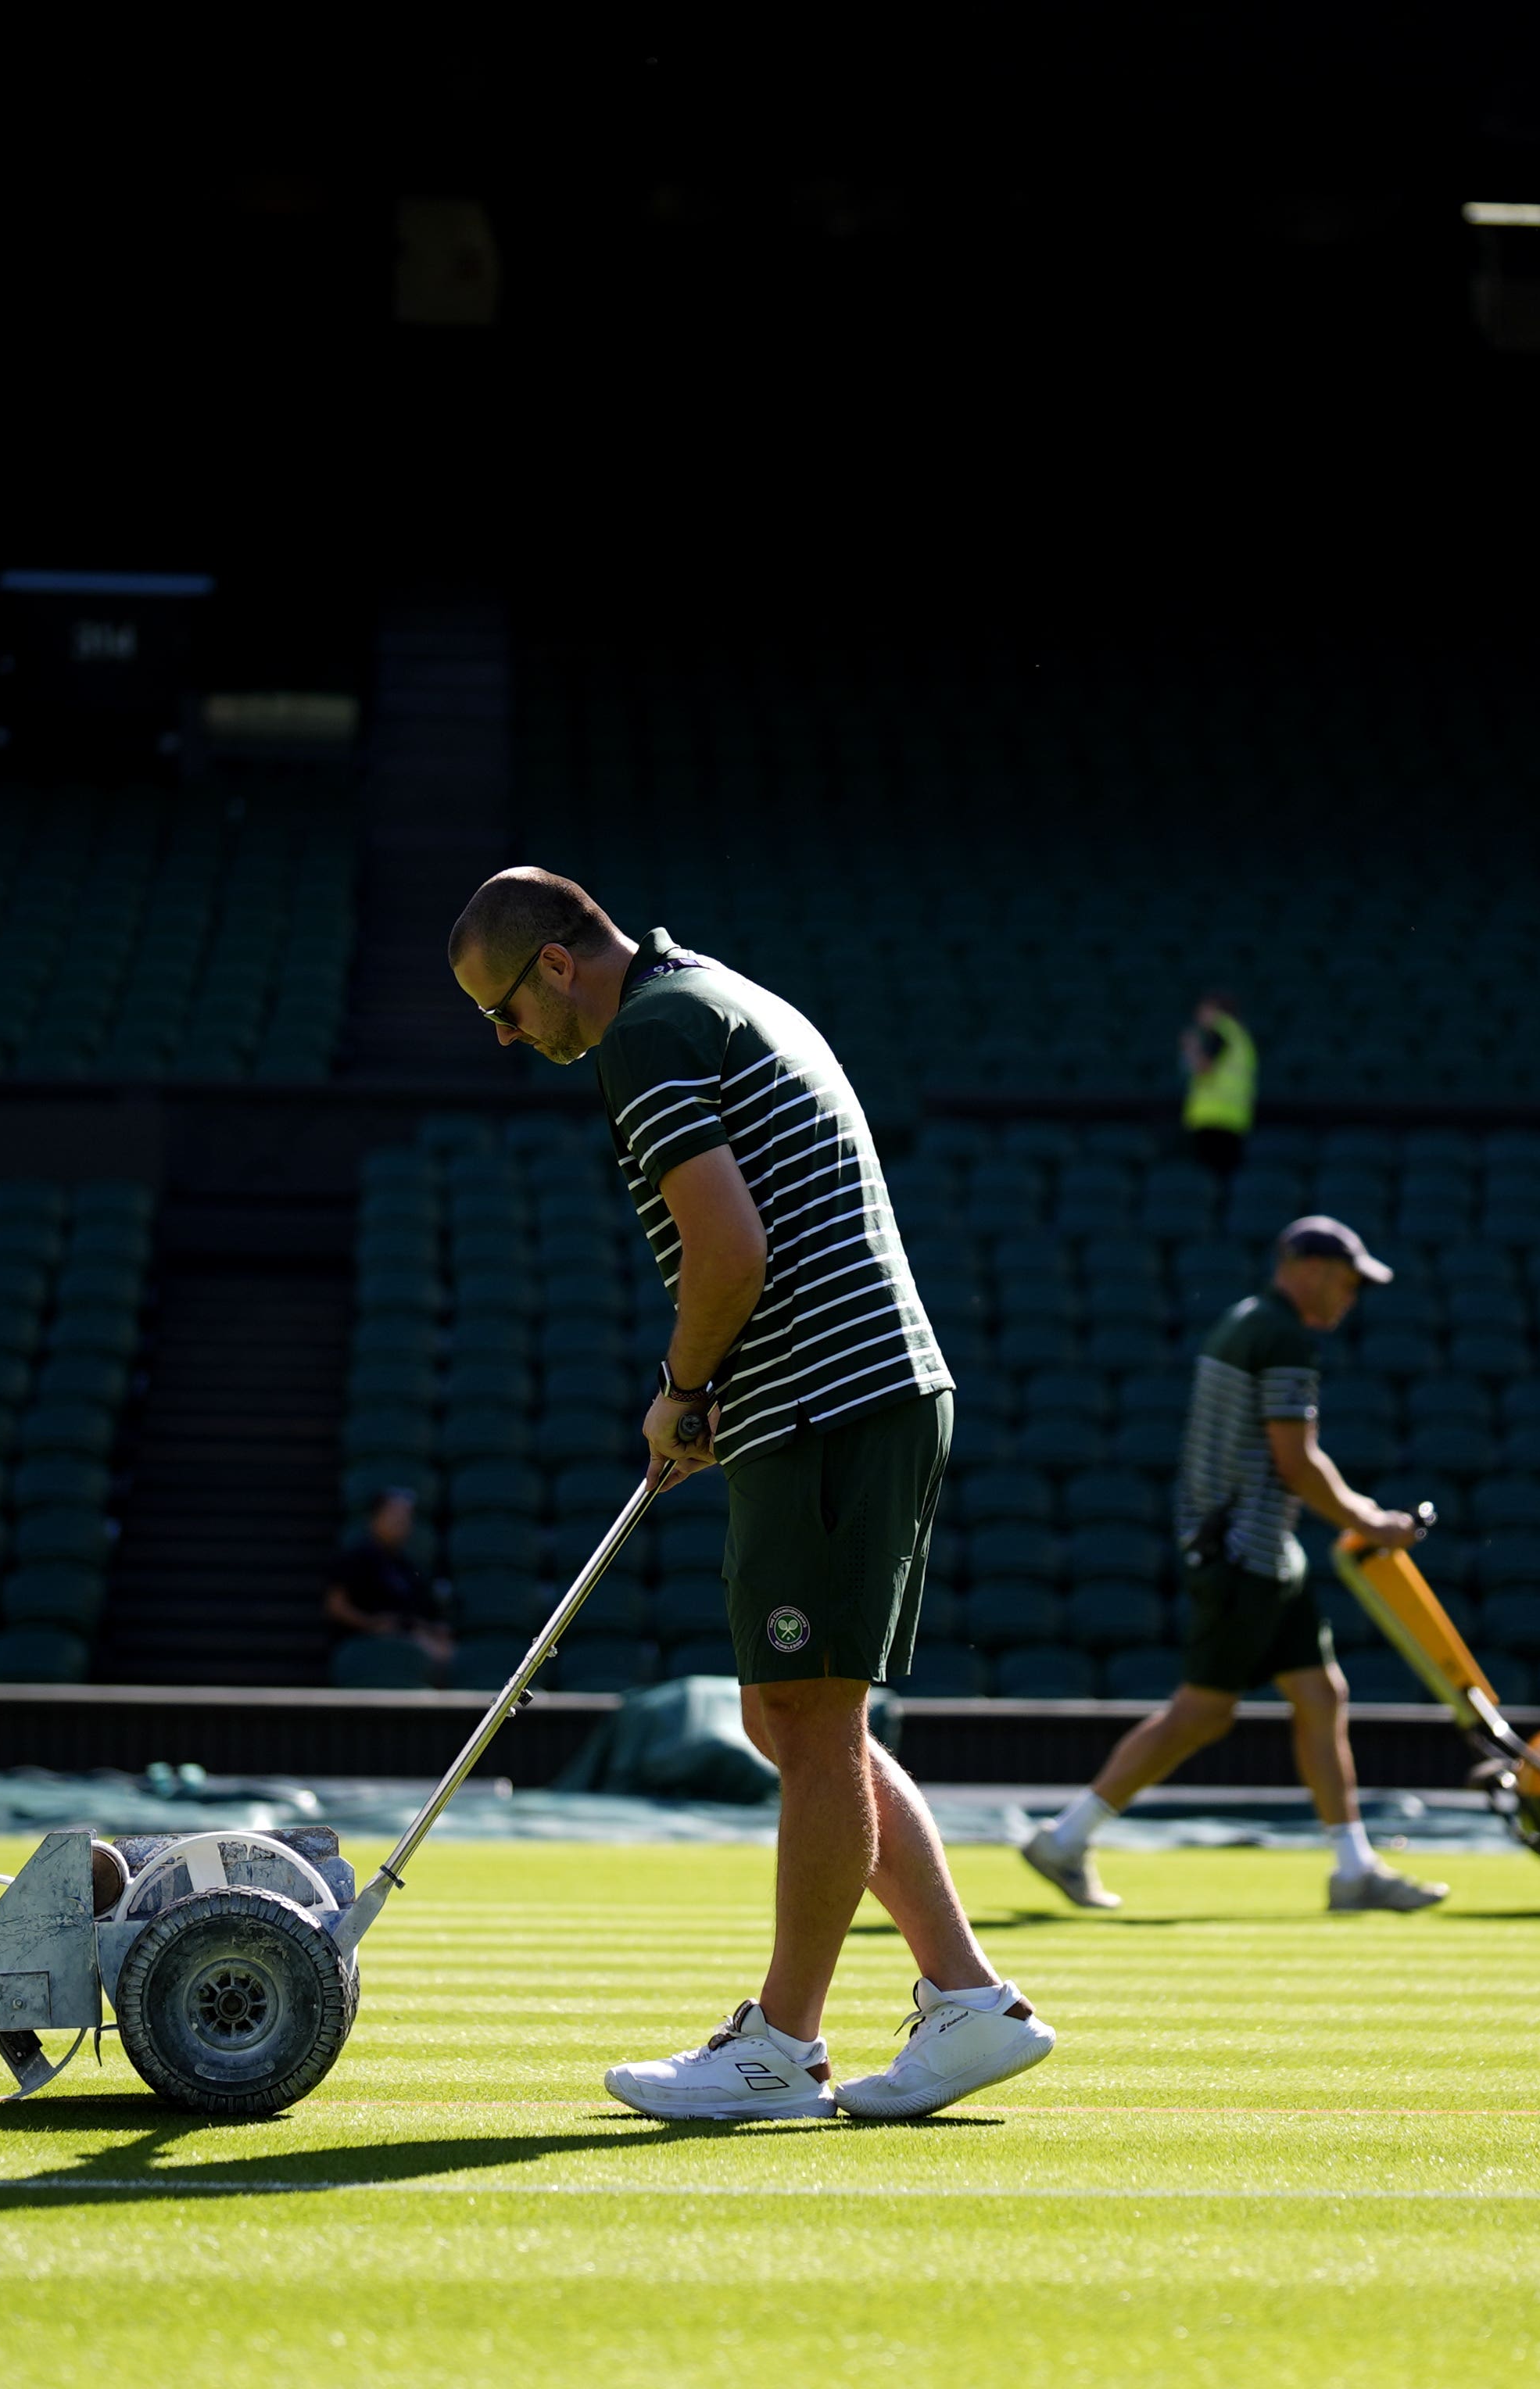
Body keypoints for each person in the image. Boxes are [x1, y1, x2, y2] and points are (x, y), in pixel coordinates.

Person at [446, 865, 1055, 2122]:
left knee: (807, 1716)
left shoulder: (650, 1033)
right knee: (791, 1721)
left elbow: (730, 1250)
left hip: (833, 1403)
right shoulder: (710, 993)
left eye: (504, 1009)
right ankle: (969, 2002)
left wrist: (679, 1386)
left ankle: (782, 2044)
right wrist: (722, 1394)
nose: (508, 1038)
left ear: (556, 965)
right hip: (829, 1394)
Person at [1022, 1214, 1449, 1914]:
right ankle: (1066, 1839)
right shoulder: (1282, 1335)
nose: (1350, 1298)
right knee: (1202, 1713)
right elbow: (1296, 1460)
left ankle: (1353, 1870)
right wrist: (1371, 1520)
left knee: (1321, 1697)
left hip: (1261, 1551)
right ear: (1308, 1269)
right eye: (1346, 1282)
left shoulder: (1246, 1322)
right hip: (1244, 1553)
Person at [324, 1487, 450, 1667]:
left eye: (406, 1518)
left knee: (444, 1649)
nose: (402, 1522)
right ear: (376, 1517)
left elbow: (411, 1616)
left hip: (407, 1638)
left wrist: (429, 1629)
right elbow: (335, 1606)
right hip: (366, 1641)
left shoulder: (407, 1566)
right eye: (395, 1515)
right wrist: (371, 1624)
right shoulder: (356, 1558)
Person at [1180, 993, 1255, 1184]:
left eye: (1204, 1010)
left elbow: (1204, 1067)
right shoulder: (1240, 1037)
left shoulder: (1221, 1031)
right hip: (1234, 1119)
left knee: (1208, 1180)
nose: (1199, 1015)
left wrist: (1191, 1048)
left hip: (1213, 1118)